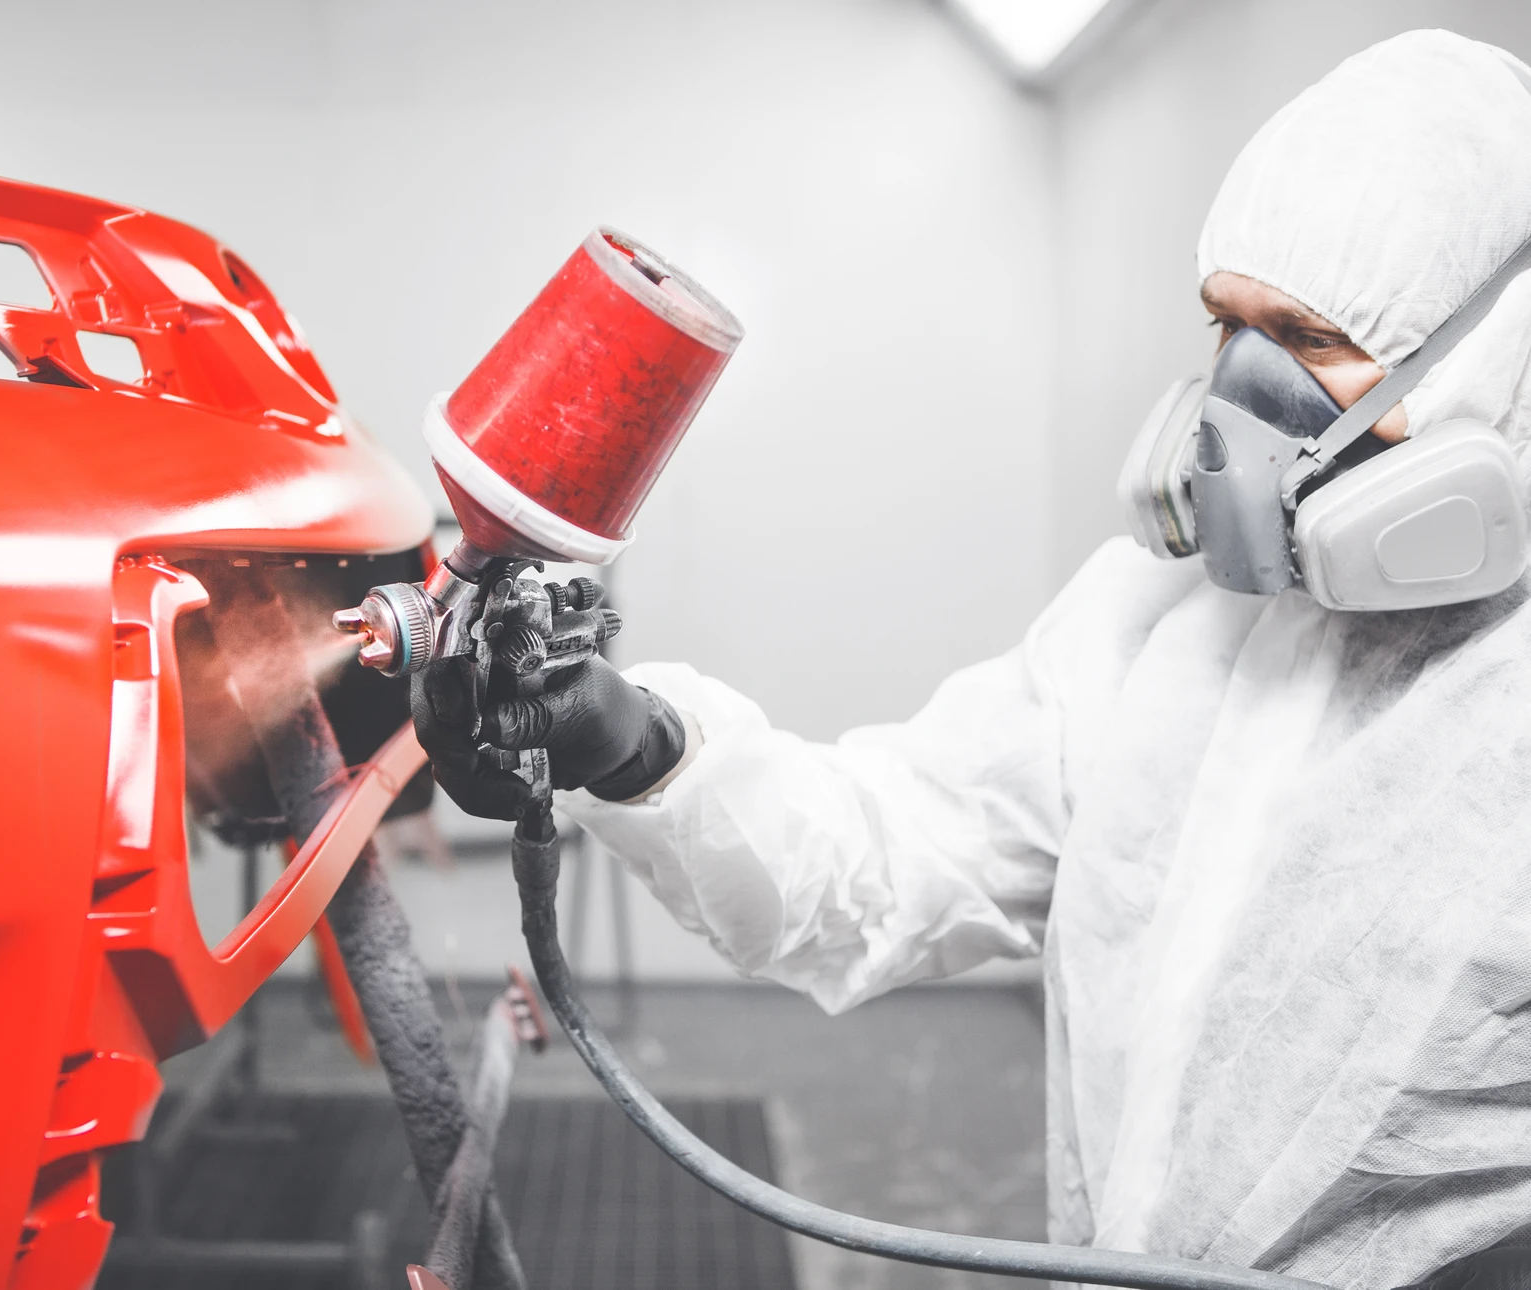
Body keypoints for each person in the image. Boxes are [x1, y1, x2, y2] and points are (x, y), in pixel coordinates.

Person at [413, 29, 1531, 1290]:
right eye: (1226, 324)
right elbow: (899, 858)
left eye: (1311, 340)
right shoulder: (1161, 624)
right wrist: (635, 746)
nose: (1241, 399)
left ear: (1497, 362)